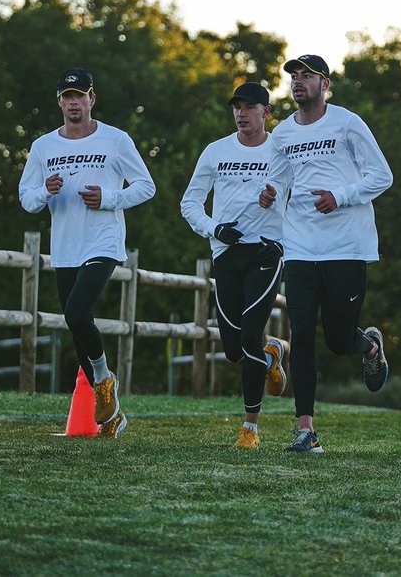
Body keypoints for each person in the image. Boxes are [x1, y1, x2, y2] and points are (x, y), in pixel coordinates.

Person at [262, 54, 393, 454]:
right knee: (301, 335)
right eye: (294, 76)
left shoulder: (348, 124)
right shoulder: (281, 134)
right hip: (300, 246)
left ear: (326, 84)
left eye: (307, 76)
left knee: (337, 340)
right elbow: (276, 181)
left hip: (346, 246)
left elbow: (382, 176)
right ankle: (306, 430)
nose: (298, 82)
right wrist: (267, 194)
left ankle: (369, 346)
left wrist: (341, 196)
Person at [19, 68, 156, 438]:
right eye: (67, 96)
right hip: (64, 247)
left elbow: (146, 186)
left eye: (80, 95)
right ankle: (112, 416)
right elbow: (27, 200)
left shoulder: (116, 140)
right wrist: (45, 190)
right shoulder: (44, 146)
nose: (74, 102)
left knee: (78, 312)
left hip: (103, 242)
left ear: (92, 99)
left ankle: (102, 379)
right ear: (59, 101)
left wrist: (109, 198)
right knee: (76, 324)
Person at [180, 81, 290, 450]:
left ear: (266, 112)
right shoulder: (215, 151)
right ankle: (271, 351)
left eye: (249, 107)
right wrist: (214, 228)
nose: (241, 113)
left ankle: (250, 428)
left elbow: (298, 200)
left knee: (248, 334)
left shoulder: (283, 149)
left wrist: (273, 202)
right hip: (226, 252)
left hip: (266, 251)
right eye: (237, 107)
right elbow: (190, 203)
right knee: (233, 349)